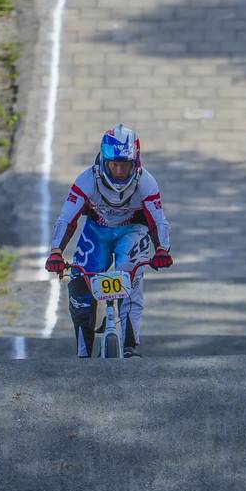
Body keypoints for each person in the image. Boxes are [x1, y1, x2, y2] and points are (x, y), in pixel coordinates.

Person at [44, 125, 173, 358]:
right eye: (114, 164)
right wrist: (56, 251)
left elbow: (158, 222)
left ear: (136, 163)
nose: (119, 171)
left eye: (125, 165)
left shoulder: (147, 182)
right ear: (104, 160)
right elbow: (66, 219)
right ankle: (83, 353)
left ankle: (130, 346)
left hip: (132, 231)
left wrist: (162, 249)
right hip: (97, 232)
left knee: (129, 273)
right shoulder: (86, 180)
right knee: (79, 283)